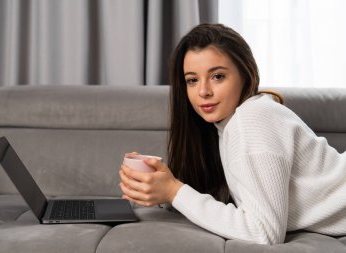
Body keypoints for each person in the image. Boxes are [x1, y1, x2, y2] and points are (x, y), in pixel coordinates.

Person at [119, 23, 346, 245]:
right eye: (192, 80)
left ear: (245, 75)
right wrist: (159, 188)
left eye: (217, 76)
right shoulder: (225, 127)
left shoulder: (252, 117)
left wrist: (174, 191)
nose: (203, 91)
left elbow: (264, 233)